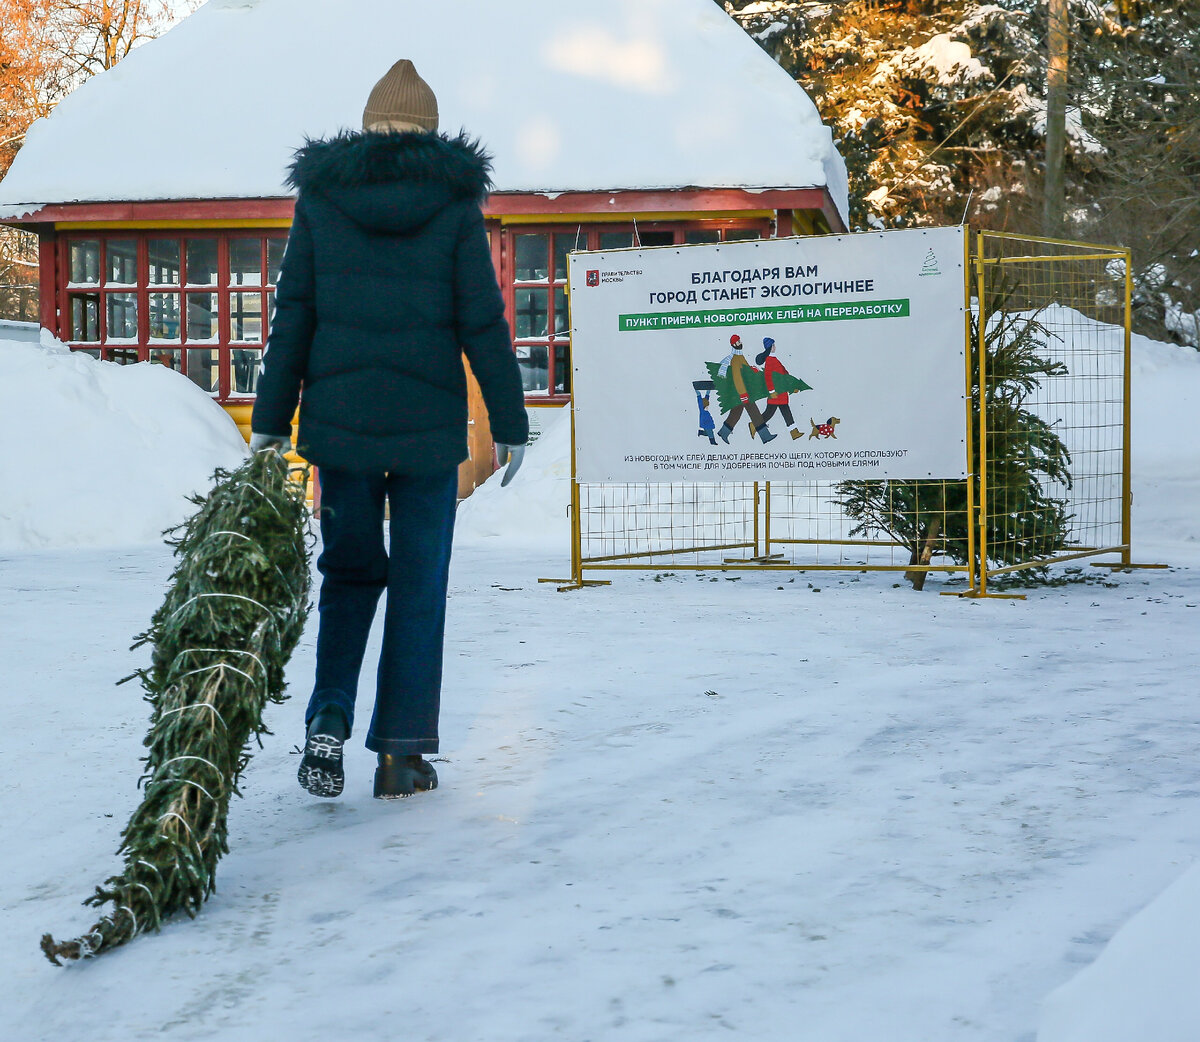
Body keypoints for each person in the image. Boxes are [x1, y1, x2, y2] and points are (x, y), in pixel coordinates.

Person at [249, 59, 529, 801]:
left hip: (339, 432)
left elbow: (294, 316)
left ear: (370, 126)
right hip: (429, 435)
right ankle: (401, 755)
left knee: (347, 576)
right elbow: (483, 322)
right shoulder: (453, 204)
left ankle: (328, 719)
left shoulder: (322, 199)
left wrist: (270, 422)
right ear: (430, 132)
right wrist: (510, 422)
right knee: (418, 582)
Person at [716, 334, 776, 444]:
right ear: (734, 345)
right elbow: (737, 377)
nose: (740, 343)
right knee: (754, 413)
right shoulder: (735, 359)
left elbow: (745, 369)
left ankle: (723, 432)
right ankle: (765, 436)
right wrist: (743, 394)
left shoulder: (740, 356)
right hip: (742, 392)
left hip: (741, 392)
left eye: (740, 341)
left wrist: (753, 370)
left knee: (736, 413)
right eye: (738, 342)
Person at [756, 337, 802, 440]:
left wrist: (791, 386)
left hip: (781, 393)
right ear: (770, 347)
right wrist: (771, 391)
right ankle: (755, 425)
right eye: (773, 345)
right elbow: (768, 377)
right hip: (776, 393)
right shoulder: (769, 360)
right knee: (769, 414)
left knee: (785, 412)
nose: (775, 347)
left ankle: (794, 433)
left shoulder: (774, 359)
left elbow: (785, 374)